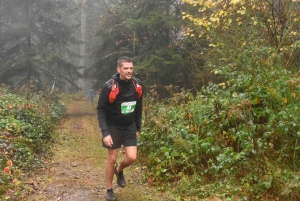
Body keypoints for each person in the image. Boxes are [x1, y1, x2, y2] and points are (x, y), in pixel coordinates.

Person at [97, 56, 143, 201]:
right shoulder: (109, 86)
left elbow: (139, 108)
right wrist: (105, 133)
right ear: (119, 69)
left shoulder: (137, 84)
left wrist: (138, 127)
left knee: (132, 157)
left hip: (129, 126)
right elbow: (101, 110)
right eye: (126, 68)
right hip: (113, 127)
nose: (129, 71)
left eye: (131, 68)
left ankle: (119, 170)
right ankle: (109, 189)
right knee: (112, 159)